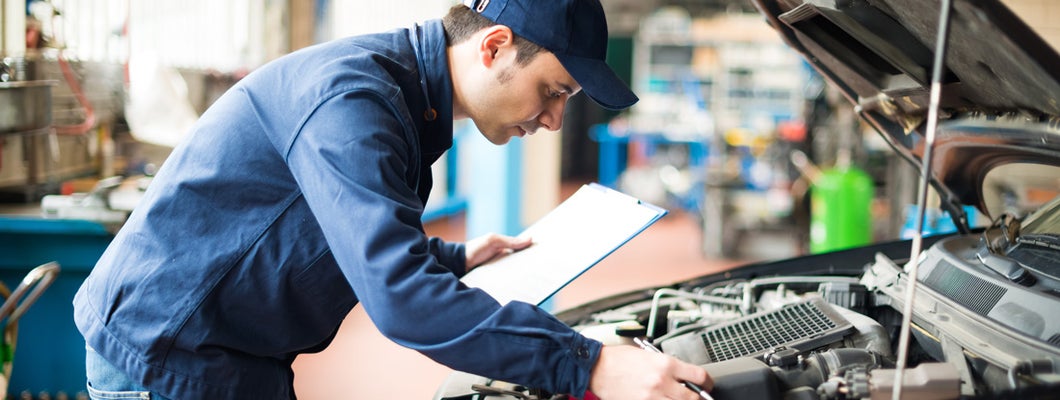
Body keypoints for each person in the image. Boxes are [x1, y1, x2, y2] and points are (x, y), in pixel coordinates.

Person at [73, 0, 714, 399]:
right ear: (493, 47)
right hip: (169, 356)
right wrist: (592, 365)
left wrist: (453, 256)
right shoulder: (353, 99)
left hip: (233, 353)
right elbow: (400, 300)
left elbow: (330, 224)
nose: (552, 121)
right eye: (553, 91)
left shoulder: (410, 102)